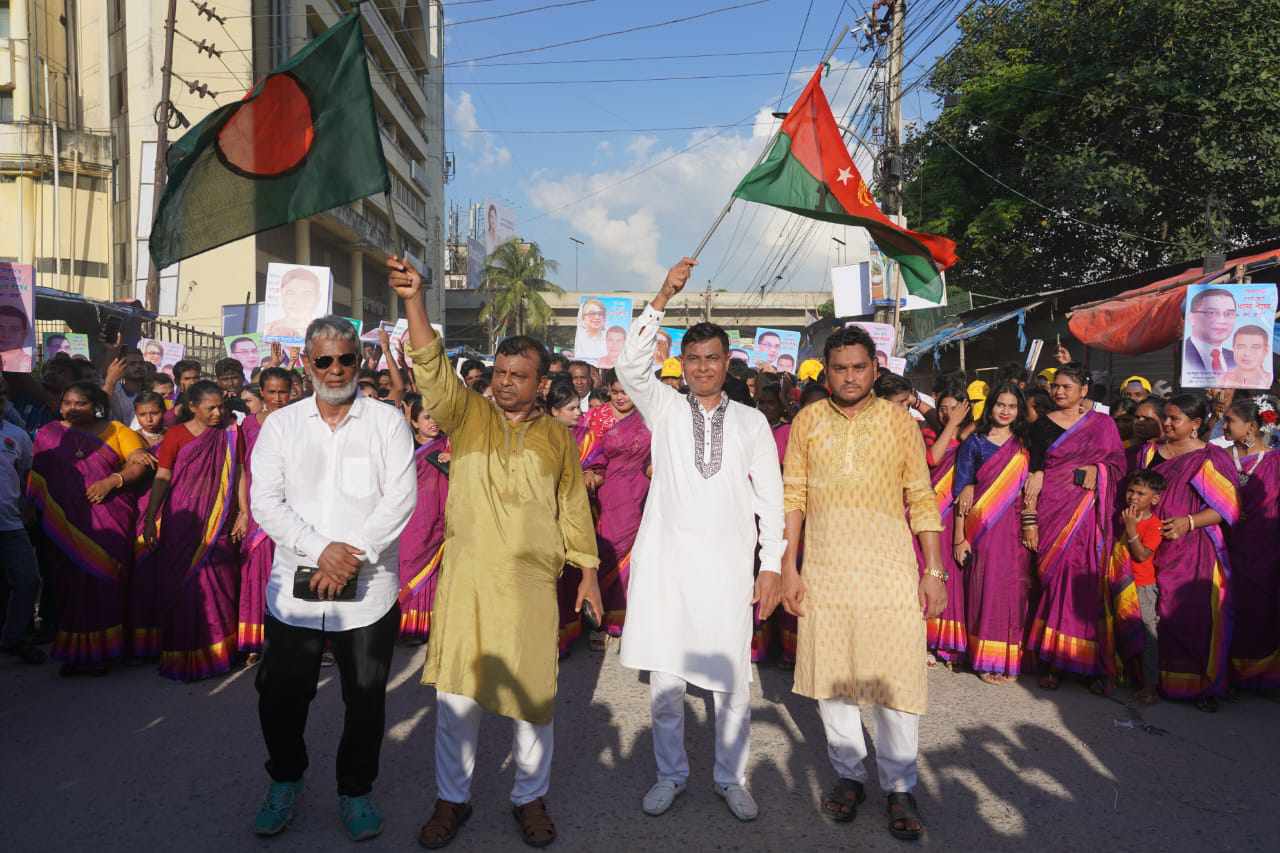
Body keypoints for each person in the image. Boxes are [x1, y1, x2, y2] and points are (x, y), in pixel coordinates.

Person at [391, 255, 600, 850]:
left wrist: (588, 573)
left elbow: (572, 507)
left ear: (541, 383)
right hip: (470, 582)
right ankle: (451, 800)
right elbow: (432, 371)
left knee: (533, 699)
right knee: (457, 698)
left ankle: (529, 798)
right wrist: (415, 300)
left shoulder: (558, 438)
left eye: (518, 374)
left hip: (531, 586)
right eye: (501, 372)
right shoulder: (470, 415)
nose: (506, 382)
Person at [615, 258, 784, 823]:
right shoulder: (663, 407)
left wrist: (772, 563)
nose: (704, 367)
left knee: (731, 682)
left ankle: (731, 777)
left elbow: (771, 499)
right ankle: (670, 775)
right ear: (681, 364)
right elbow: (628, 364)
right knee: (666, 681)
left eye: (713, 358)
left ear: (727, 362)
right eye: (693, 358)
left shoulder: (752, 422)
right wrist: (663, 294)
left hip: (729, 568)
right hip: (667, 567)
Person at [247, 317, 415, 840]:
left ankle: (355, 790)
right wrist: (321, 550)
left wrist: (351, 554)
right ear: (306, 364)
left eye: (345, 359)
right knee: (280, 696)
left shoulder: (387, 423)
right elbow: (264, 501)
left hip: (368, 593)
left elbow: (400, 498)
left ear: (359, 362)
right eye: (324, 360)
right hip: (293, 594)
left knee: (364, 699)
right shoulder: (282, 426)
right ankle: (285, 778)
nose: (336, 369)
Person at [776, 324, 945, 841]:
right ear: (826, 373)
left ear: (875, 368)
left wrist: (933, 571)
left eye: (858, 367)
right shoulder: (807, 422)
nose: (849, 377)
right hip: (825, 567)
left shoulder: (899, 424)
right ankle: (849, 776)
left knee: (894, 679)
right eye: (839, 369)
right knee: (834, 678)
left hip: (889, 569)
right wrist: (789, 567)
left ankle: (900, 786)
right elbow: (793, 496)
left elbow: (921, 496)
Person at [27, 381, 149, 674]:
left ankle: (105, 652)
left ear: (96, 406)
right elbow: (38, 478)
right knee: (69, 586)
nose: (72, 408)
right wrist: (31, 511)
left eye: (80, 403)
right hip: (63, 523)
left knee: (105, 581)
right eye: (67, 402)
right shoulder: (48, 434)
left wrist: (112, 481)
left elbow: (139, 463)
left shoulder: (117, 431)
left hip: (110, 517)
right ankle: (76, 653)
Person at [1021, 363, 1126, 691]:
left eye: (1067, 386)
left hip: (1088, 516)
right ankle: (1052, 660)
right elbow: (1034, 474)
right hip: (1053, 511)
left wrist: (1099, 471)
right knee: (1054, 583)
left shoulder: (1103, 424)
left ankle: (1090, 664)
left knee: (1086, 585)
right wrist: (1030, 519)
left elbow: (1118, 465)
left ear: (1084, 390)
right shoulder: (1041, 426)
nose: (1059, 391)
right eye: (1056, 385)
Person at [1133, 394, 1238, 711]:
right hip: (1148, 547)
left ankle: (1199, 686)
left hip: (1193, 552)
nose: (1166, 423)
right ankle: (1156, 680)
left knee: (1191, 616)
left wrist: (1188, 522)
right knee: (1152, 615)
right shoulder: (1149, 452)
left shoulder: (1209, 458)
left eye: (1174, 419)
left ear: (1195, 424)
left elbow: (1227, 508)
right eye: (1165, 416)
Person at [140, 381, 248, 681]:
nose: (218, 413)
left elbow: (240, 472)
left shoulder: (231, 433)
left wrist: (243, 512)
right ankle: (181, 653)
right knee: (181, 586)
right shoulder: (175, 434)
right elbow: (163, 476)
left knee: (219, 582)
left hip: (219, 519)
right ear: (192, 407)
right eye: (210, 408)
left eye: (221, 407)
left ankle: (218, 654)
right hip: (181, 521)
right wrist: (150, 517)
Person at [950, 383, 1032, 685]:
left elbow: (1035, 481)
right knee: (984, 589)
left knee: (1013, 592)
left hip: (1015, 529)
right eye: (1000, 404)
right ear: (990, 406)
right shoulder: (975, 442)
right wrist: (960, 537)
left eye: (1012, 406)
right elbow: (961, 493)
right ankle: (985, 658)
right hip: (982, 529)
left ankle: (1008, 659)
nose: (1005, 411)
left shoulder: (1025, 444)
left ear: (1019, 410)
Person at [580, 368, 651, 646]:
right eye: (615, 392)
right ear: (608, 390)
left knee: (636, 552)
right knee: (607, 548)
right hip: (607, 490)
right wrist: (589, 475)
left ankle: (623, 619)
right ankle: (598, 617)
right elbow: (586, 453)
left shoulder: (650, 416)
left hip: (642, 489)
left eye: (626, 392)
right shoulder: (596, 417)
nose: (621, 398)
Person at [1221, 396, 1280, 689]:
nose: (1224, 426)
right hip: (1223, 544)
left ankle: (1260, 675)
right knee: (1225, 605)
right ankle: (1225, 673)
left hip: (1264, 549)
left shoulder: (1275, 461)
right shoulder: (1218, 456)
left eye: (1230, 420)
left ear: (1252, 427)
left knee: (1259, 607)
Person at [235, 368, 293, 660]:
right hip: (258, 506)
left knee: (291, 569)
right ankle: (256, 640)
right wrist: (243, 511)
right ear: (262, 393)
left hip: (293, 505)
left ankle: (293, 640)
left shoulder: (301, 421)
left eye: (283, 392)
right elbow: (241, 470)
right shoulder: (247, 424)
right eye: (272, 392)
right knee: (257, 571)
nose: (278, 398)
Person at [0, 376, 43, 664]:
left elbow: (27, 473)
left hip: (10, 524)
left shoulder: (17, 435)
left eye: (1, 393)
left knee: (28, 581)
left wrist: (27, 508)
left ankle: (13, 639)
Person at [399, 398, 449, 643]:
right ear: (414, 422)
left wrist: (455, 460)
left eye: (436, 416)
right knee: (409, 564)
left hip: (438, 518)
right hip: (411, 517)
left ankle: (423, 625)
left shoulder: (450, 445)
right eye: (427, 417)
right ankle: (403, 624)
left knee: (432, 571)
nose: (433, 422)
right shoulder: (403, 446)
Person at [1117, 469, 1167, 704]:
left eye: (1140, 493)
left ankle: (1150, 687)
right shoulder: (1124, 516)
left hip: (1142, 587)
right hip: (1121, 582)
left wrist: (1131, 529)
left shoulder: (1154, 525)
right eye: (1131, 491)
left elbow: (1141, 555)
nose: (1133, 497)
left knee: (1147, 635)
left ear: (1154, 499)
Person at [1183, 288, 1237, 379]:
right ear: (1192, 318)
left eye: (1229, 314)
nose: (1222, 321)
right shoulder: (1183, 354)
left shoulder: (1236, 359)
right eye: (1211, 313)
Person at [265, 267, 325, 340]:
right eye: (290, 293)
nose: (298, 300)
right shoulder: (267, 330)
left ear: (317, 298)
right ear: (281, 295)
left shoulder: (324, 333)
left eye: (307, 293)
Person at [102, 344, 149, 424]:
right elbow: (100, 410)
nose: (138, 366)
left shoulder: (151, 391)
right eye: (132, 364)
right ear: (121, 367)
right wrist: (110, 382)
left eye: (141, 363)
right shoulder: (114, 392)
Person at [1222, 325, 1273, 389]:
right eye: (1241, 347)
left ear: (1266, 350)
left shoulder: (1271, 381)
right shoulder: (1221, 380)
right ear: (1233, 348)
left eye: (1255, 347)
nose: (1247, 353)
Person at [0, 304, 33, 371]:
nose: (6, 335)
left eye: (14, 329)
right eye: (0, 328)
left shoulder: (29, 365)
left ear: (24, 335)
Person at [575, 298, 609, 364]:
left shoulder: (610, 339)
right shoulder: (580, 339)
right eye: (592, 313)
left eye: (600, 313)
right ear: (583, 317)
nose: (597, 317)